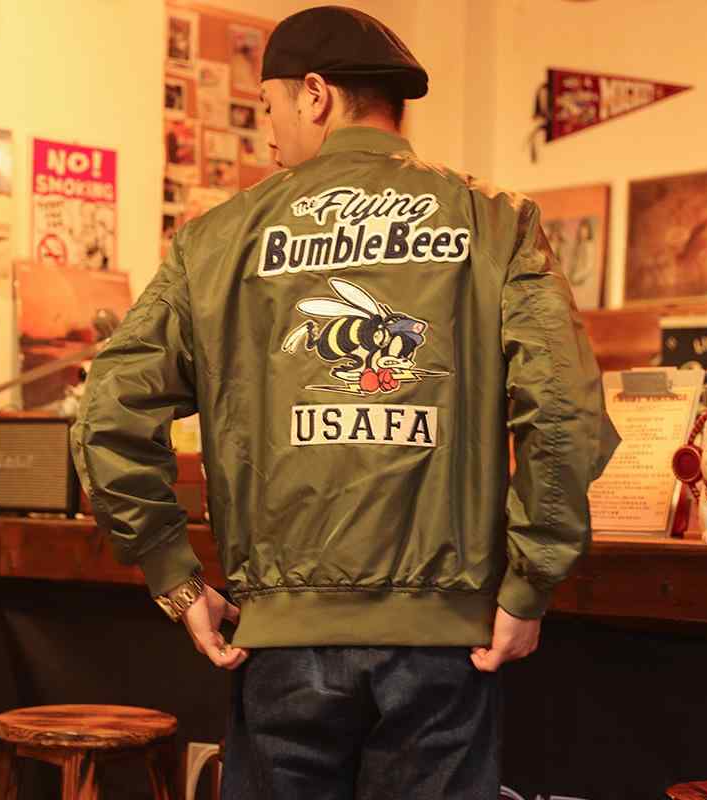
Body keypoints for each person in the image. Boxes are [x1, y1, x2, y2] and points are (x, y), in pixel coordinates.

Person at [71, 6, 619, 799]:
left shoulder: (216, 240)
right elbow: (564, 413)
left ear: (315, 95)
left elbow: (108, 413)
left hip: (279, 646)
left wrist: (176, 577)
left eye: (267, 106)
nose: (266, 135)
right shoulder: (497, 222)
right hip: (445, 647)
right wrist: (531, 583)